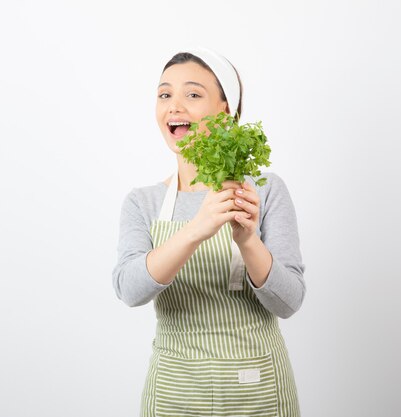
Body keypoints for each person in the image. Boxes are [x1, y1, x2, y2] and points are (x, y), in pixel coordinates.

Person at [112, 47, 307, 417]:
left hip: (257, 387)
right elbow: (130, 290)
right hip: (175, 390)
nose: (174, 106)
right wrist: (194, 231)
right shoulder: (143, 203)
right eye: (165, 94)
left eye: (193, 94)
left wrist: (248, 240)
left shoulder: (263, 191)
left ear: (226, 111)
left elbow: (289, 301)